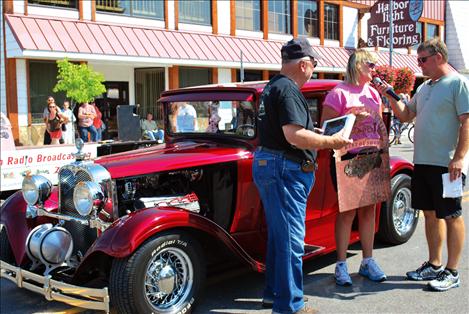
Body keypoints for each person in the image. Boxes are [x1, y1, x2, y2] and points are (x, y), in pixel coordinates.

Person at [252, 38, 351, 314]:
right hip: (286, 168)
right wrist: (334, 142)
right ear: (304, 64)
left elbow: (284, 132)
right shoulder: (289, 90)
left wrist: (318, 135)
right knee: (291, 240)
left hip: (270, 163)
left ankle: (275, 295)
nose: (313, 72)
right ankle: (290, 306)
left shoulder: (271, 87)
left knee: (279, 236)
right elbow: (293, 136)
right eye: (314, 66)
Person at [375, 38, 469, 291]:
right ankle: (435, 264)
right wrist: (390, 95)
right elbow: (406, 114)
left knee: (451, 215)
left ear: (438, 57)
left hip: (447, 165)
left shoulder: (458, 83)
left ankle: (452, 271)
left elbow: (466, 122)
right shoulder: (426, 87)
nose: (419, 65)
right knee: (429, 214)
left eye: (422, 59)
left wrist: (459, 158)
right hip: (423, 162)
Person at [321, 49, 387, 286]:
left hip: (371, 156)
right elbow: (326, 129)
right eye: (371, 65)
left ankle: (368, 261)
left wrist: (382, 151)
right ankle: (340, 265)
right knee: (347, 212)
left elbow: (380, 125)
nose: (374, 69)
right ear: (358, 66)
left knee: (369, 211)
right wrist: (352, 120)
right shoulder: (338, 93)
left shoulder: (373, 94)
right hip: (347, 157)